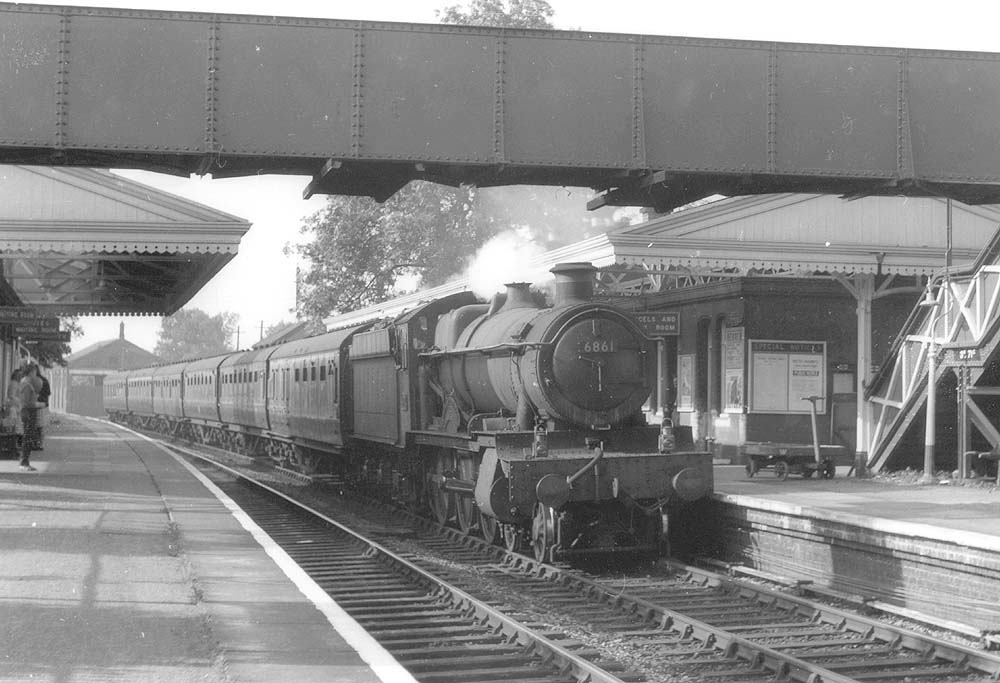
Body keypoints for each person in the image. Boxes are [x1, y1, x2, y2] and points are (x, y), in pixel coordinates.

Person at [17, 364, 40, 471]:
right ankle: (24, 462)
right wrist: (37, 404)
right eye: (35, 372)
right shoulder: (27, 384)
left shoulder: (24, 383)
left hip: (27, 413)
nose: (36, 374)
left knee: (28, 437)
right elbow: (25, 403)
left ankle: (25, 462)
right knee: (28, 437)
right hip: (28, 413)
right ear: (31, 372)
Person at [5, 369, 23, 439]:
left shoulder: (16, 383)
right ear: (16, 376)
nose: (21, 377)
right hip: (13, 408)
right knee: (15, 426)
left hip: (16, 408)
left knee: (17, 426)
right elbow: (11, 396)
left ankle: (17, 441)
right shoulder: (14, 383)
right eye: (19, 375)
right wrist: (20, 402)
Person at [35, 369, 50, 451]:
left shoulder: (35, 380)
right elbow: (48, 393)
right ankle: (40, 444)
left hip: (37, 405)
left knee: (35, 425)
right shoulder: (44, 380)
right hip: (43, 405)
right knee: (41, 426)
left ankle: (36, 443)